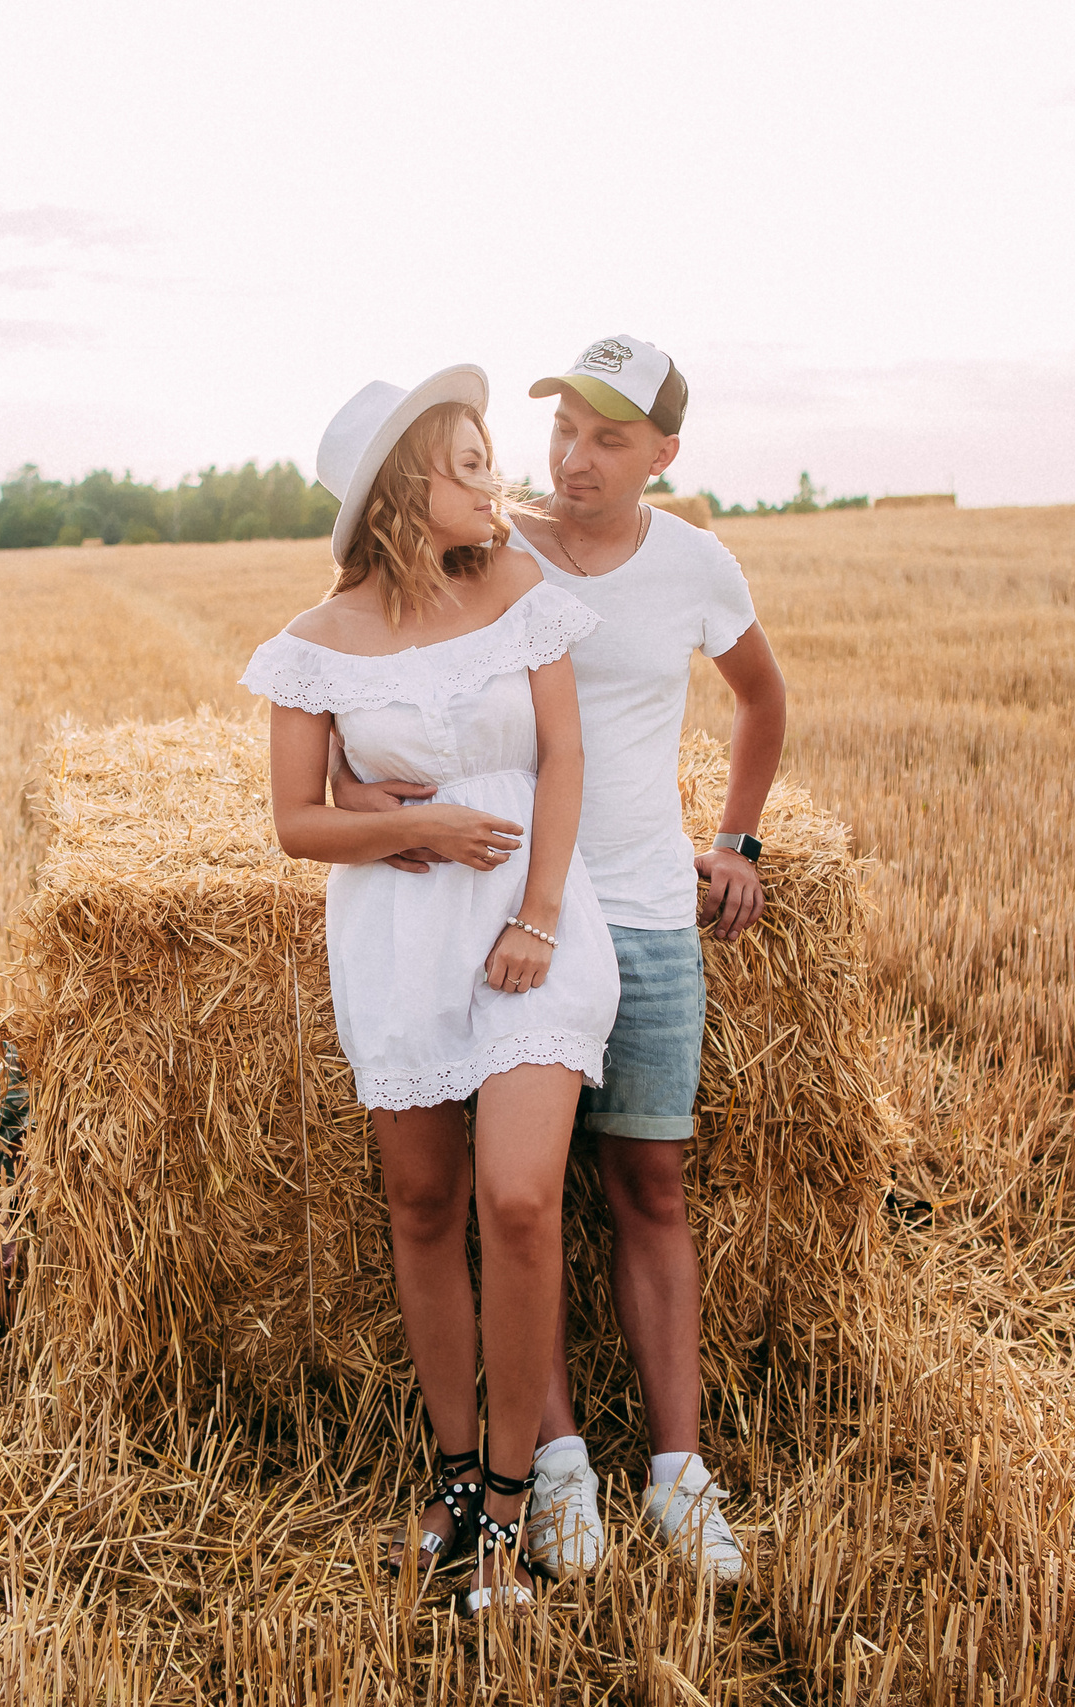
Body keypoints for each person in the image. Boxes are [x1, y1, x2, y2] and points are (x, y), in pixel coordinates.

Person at [332, 335, 787, 1585]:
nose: (573, 458)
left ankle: (680, 1475)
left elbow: (761, 698)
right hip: (499, 912)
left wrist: (737, 840)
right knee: (515, 1203)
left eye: (607, 439)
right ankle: (558, 1464)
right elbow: (369, 664)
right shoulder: (487, 547)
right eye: (562, 431)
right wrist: (355, 793)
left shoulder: (696, 564)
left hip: (642, 911)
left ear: (662, 454)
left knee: (649, 1187)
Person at [241, 366, 618, 1616]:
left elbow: (564, 756)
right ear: (403, 488)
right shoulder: (312, 644)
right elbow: (296, 821)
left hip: (532, 926)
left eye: (485, 457)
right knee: (419, 1205)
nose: (490, 480)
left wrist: (537, 914)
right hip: (398, 936)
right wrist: (400, 826)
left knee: (516, 1197)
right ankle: (454, 1475)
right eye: (464, 463)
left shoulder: (516, 588)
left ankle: (511, 1500)